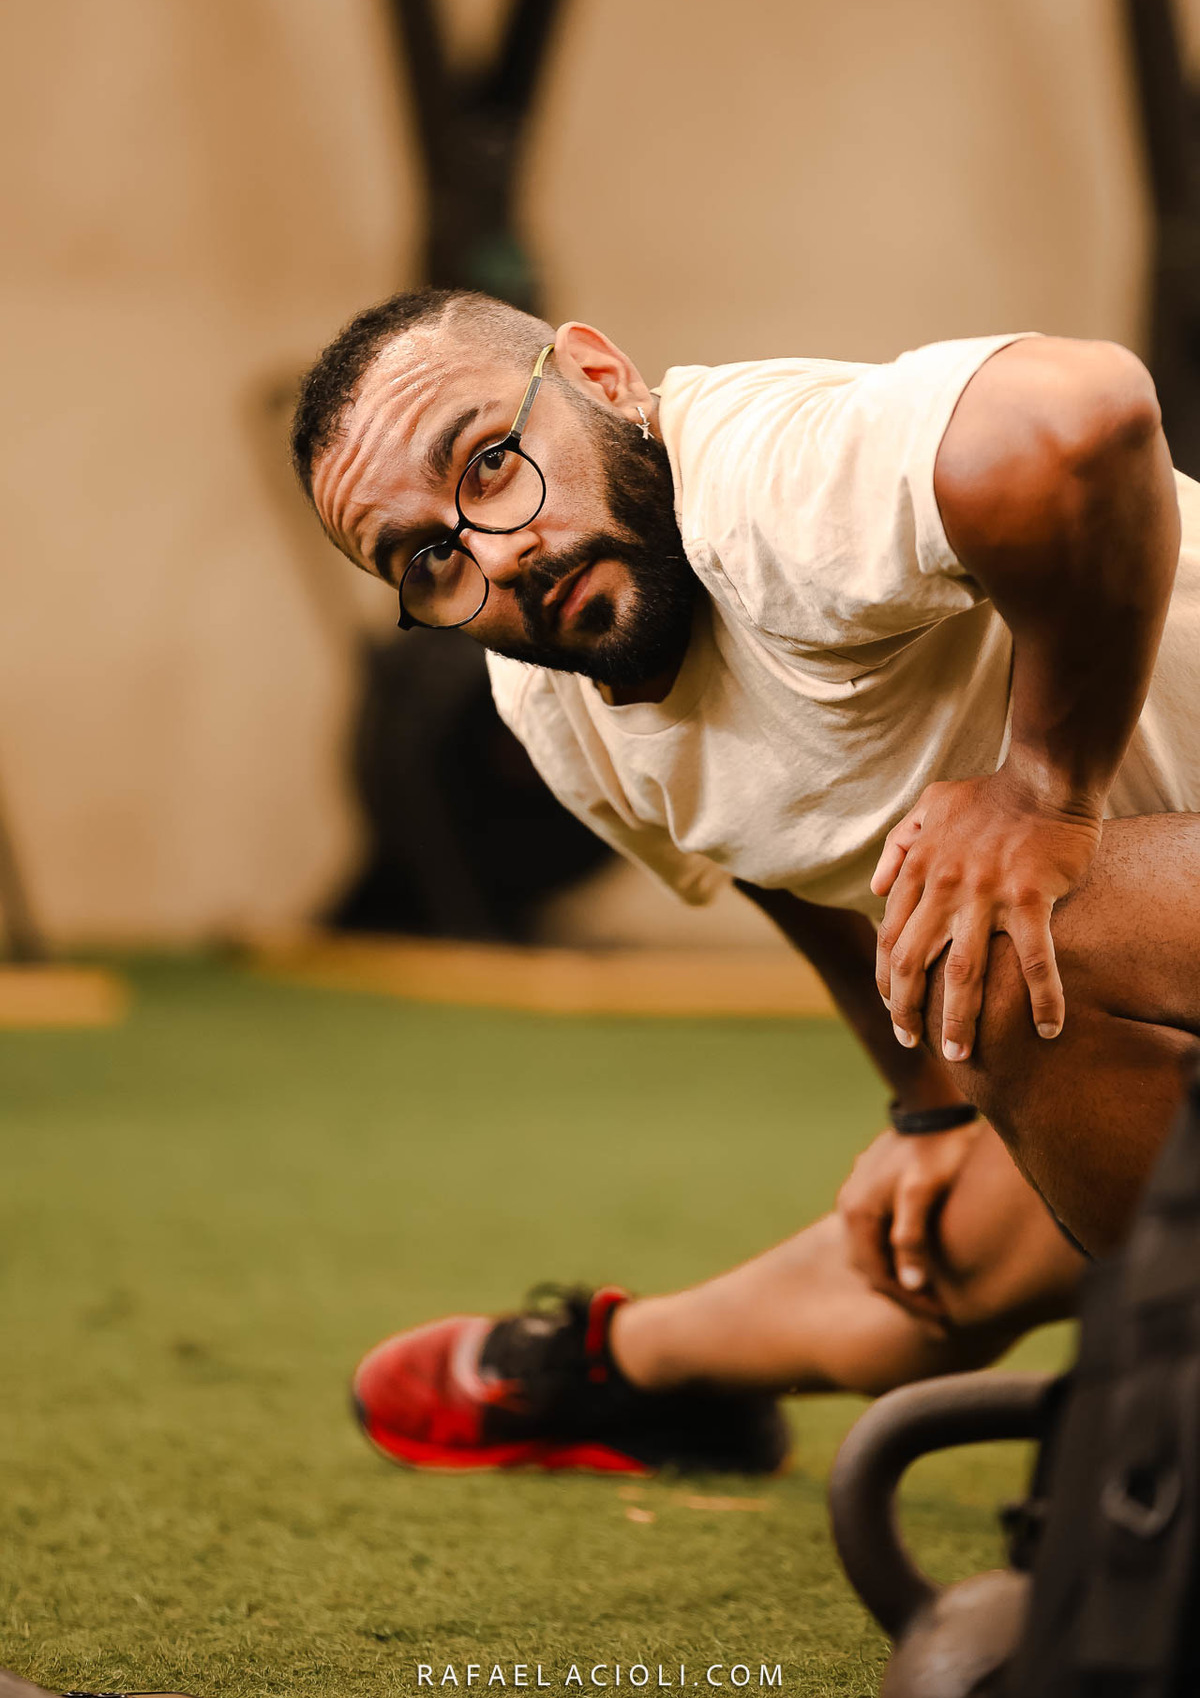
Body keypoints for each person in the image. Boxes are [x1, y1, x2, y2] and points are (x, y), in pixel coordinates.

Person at [289, 288, 1199, 1474]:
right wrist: (925, 1108)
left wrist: (1042, 791)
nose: (496, 554)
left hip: (1140, 941)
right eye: (428, 558)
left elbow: (1086, 414)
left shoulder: (765, 493)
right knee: (930, 1252)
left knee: (1010, 944)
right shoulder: (549, 696)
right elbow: (773, 843)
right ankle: (630, 1375)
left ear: (602, 379)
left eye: (492, 463)